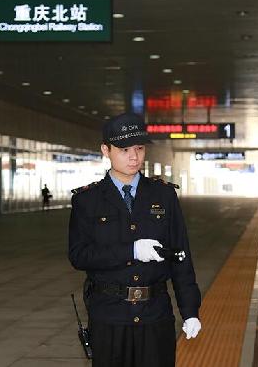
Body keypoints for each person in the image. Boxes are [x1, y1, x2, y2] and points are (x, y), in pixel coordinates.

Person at [68, 112, 202, 367]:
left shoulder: (163, 196)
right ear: (105, 150)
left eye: (139, 148)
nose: (134, 156)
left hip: (155, 316)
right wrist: (130, 250)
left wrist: (190, 311)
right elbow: (79, 255)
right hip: (110, 316)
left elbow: (181, 257)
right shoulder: (87, 201)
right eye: (124, 149)